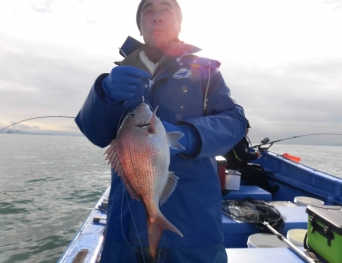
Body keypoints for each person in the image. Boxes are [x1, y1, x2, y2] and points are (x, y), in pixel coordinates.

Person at [75, 0, 247, 262]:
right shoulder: (120, 74)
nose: (157, 17)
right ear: (140, 26)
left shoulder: (205, 72)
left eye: (166, 9)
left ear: (179, 23)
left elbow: (235, 121)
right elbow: (95, 133)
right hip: (126, 227)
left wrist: (190, 136)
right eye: (148, 11)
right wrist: (104, 94)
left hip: (194, 226)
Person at [223, 121, 278, 193]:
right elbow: (241, 157)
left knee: (259, 167)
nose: (248, 130)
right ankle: (253, 192)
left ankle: (267, 189)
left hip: (239, 165)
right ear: (242, 129)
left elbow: (242, 154)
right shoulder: (236, 141)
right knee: (259, 173)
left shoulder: (240, 139)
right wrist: (255, 155)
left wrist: (253, 154)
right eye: (247, 128)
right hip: (233, 168)